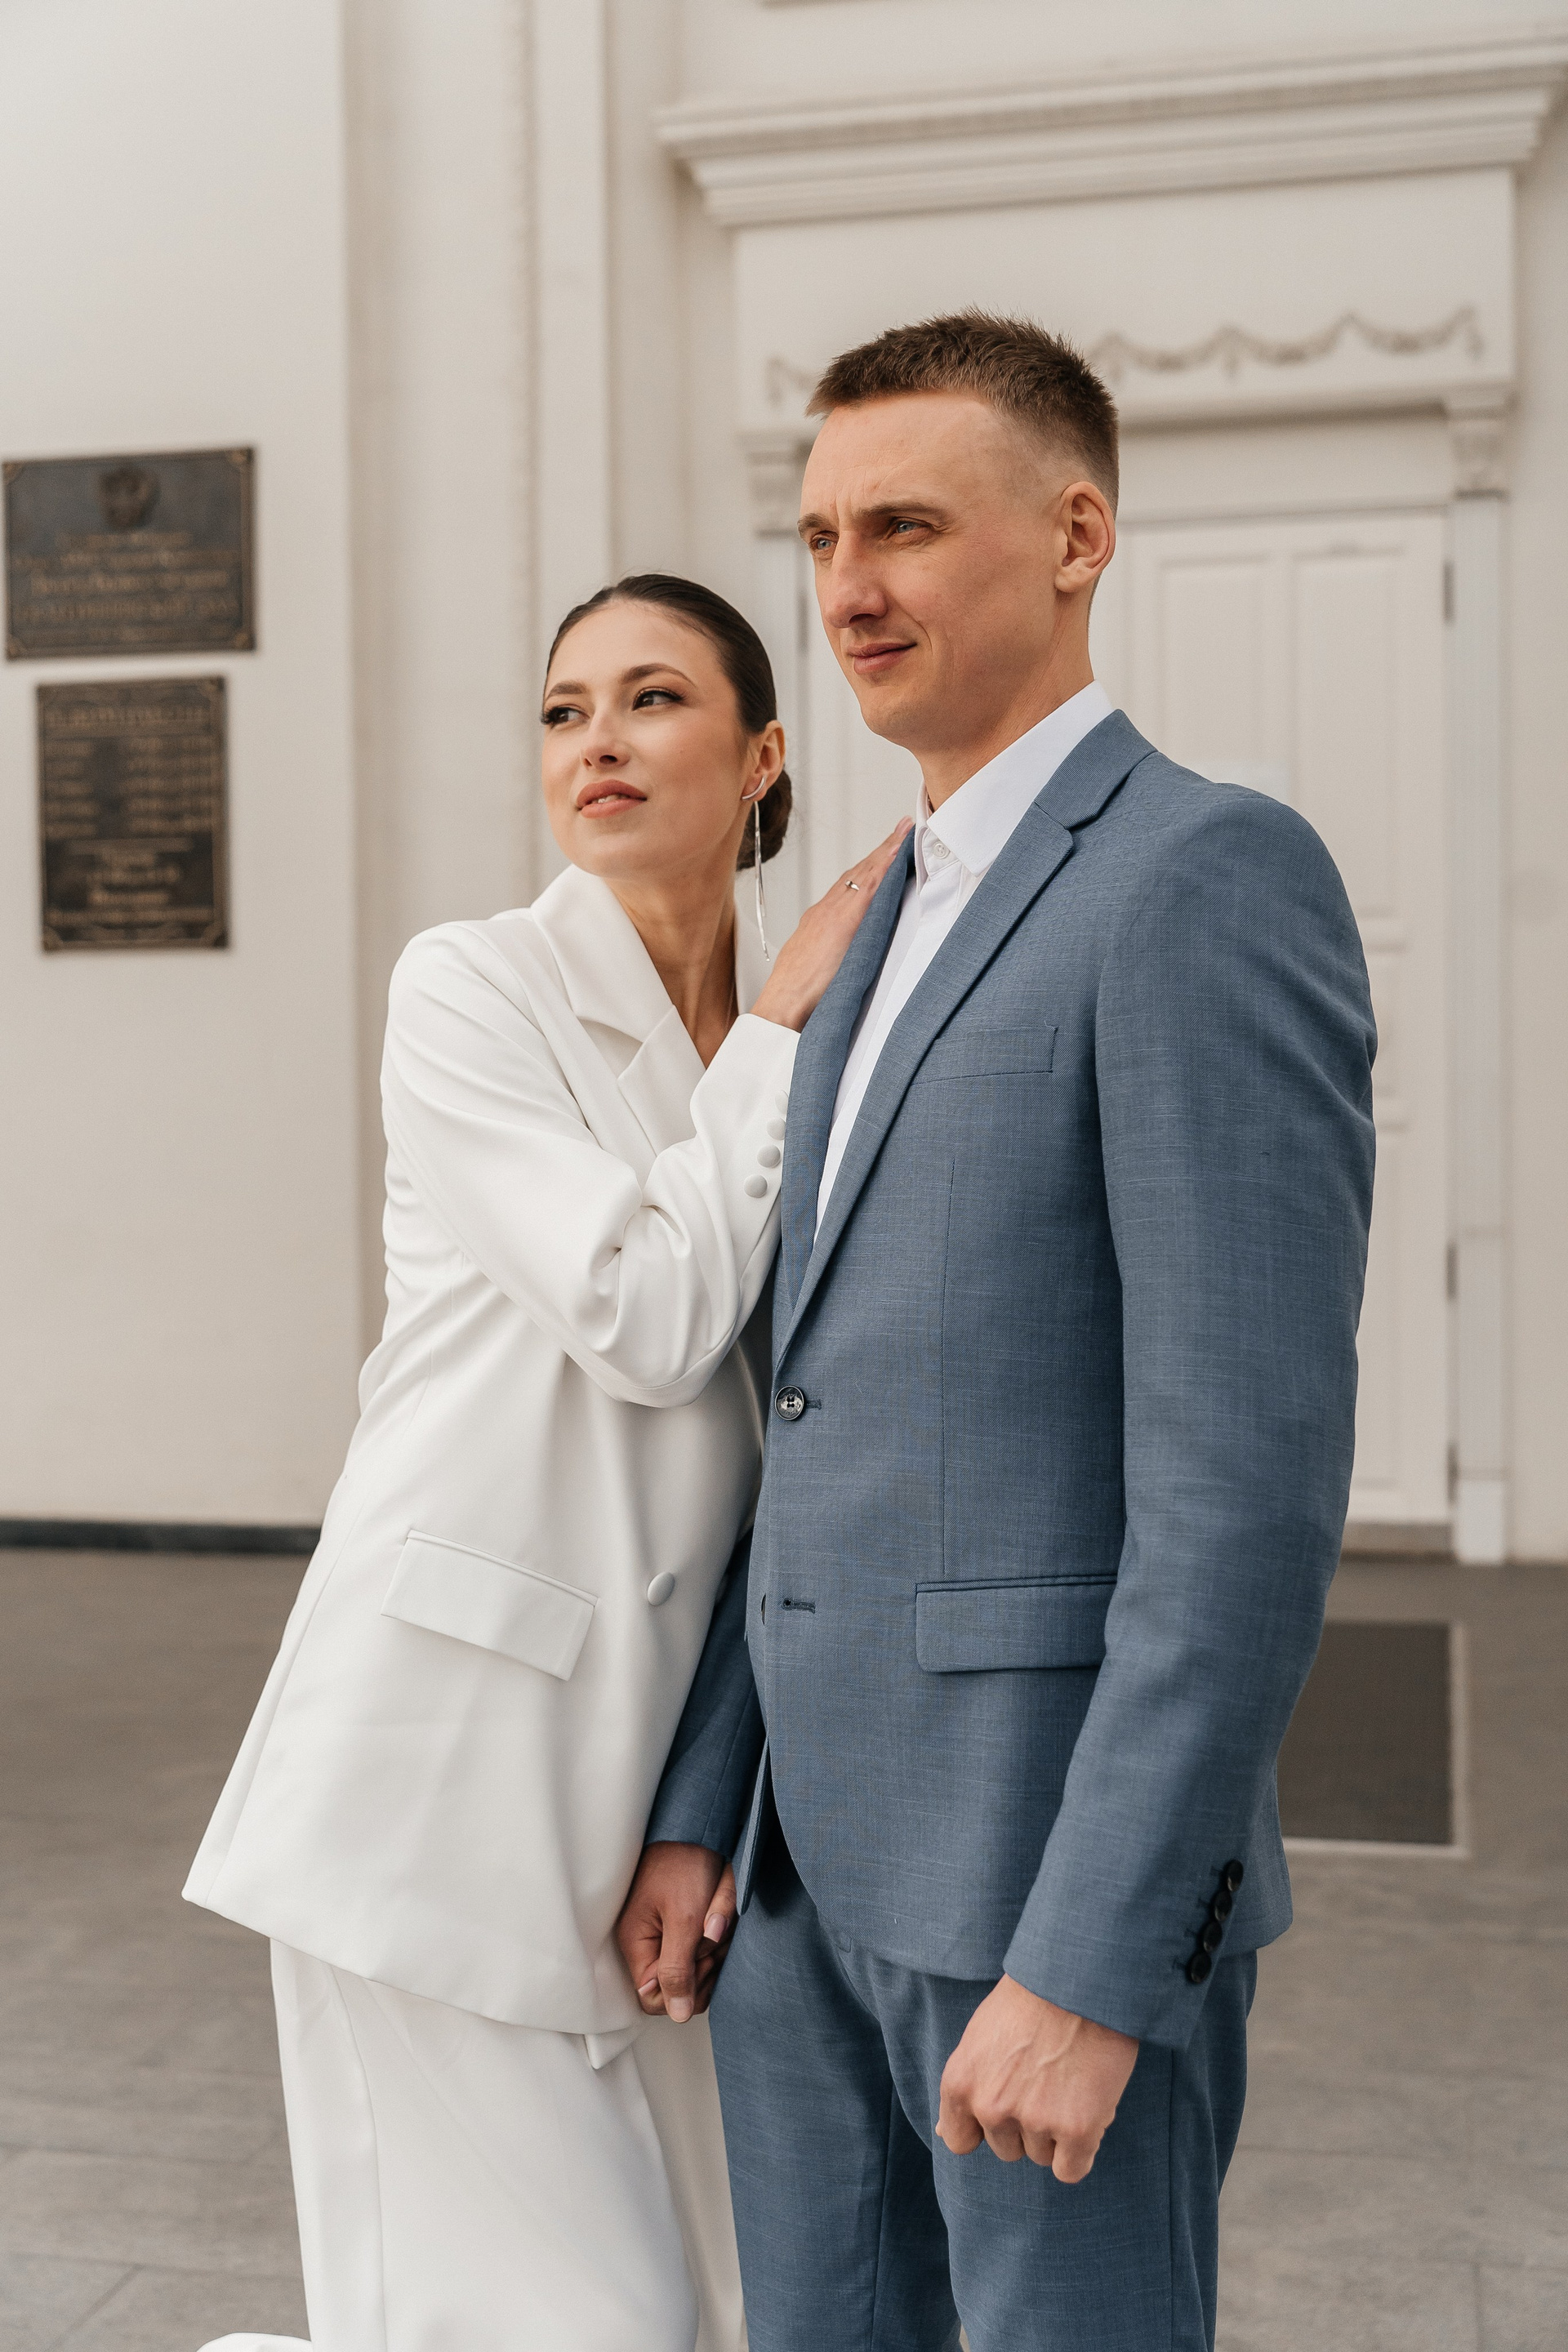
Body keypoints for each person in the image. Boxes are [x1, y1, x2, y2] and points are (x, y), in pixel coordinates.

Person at [618, 314, 1377, 2351]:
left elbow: (1242, 1493)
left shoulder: (1205, 876)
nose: (848, 586)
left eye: (907, 527)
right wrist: (704, 1803)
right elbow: (810, 1418)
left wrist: (1101, 1959)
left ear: (1076, 536)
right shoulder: (873, 919)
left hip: (1039, 1892)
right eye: (820, 536)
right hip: (798, 1892)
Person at [183, 571, 908, 2352]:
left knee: (666, 2314)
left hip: (633, 1796)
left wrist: (702, 1805)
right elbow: (643, 1311)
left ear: (762, 758)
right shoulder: (474, 987)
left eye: (652, 700)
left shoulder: (816, 1031)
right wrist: (781, 1038)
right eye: (565, 710)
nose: (598, 742)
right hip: (435, 1778)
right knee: (582, 2322)